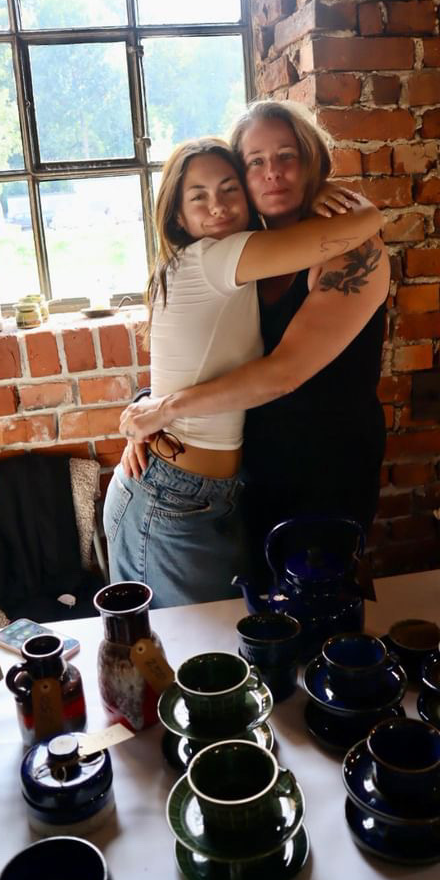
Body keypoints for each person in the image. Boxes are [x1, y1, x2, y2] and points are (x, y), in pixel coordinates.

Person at [103, 133, 386, 608]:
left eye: (286, 157)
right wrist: (154, 412)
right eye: (256, 162)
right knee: (204, 641)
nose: (271, 172)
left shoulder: (251, 256)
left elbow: (249, 365)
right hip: (187, 494)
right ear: (177, 216)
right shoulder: (223, 256)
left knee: (296, 620)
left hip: (312, 479)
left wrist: (158, 409)